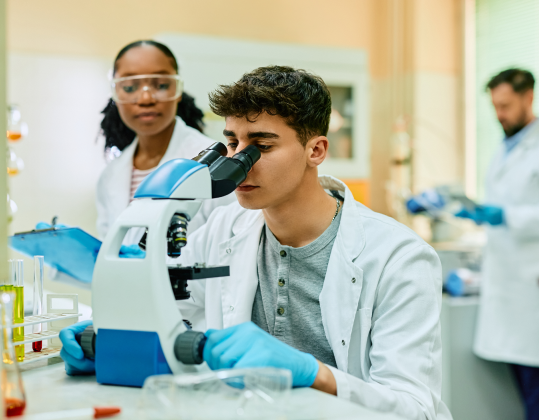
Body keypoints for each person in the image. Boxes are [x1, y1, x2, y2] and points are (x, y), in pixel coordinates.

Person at [60, 66, 452, 419]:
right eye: (232, 144)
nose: (238, 162)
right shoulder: (225, 227)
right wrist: (108, 339)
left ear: (315, 150)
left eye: (261, 147)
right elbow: (163, 307)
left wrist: (314, 373)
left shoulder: (399, 257)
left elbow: (414, 408)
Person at [456, 68, 539, 420]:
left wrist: (507, 216)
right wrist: (479, 213)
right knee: (525, 390)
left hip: (538, 289)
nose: (500, 114)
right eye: (495, 106)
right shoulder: (505, 148)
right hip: (510, 287)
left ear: (529, 98)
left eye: (506, 105)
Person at [97, 40, 234, 245]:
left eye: (161, 85)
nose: (145, 99)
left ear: (178, 90)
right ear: (116, 94)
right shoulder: (110, 176)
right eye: (129, 87)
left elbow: (232, 247)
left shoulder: (216, 164)